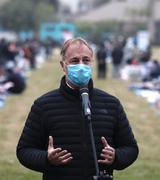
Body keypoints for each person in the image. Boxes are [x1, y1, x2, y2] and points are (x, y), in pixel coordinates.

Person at [16, 38, 139, 180]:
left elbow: (131, 149)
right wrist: (46, 158)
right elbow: (24, 151)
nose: (81, 66)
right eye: (75, 61)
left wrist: (116, 157)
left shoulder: (111, 104)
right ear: (63, 65)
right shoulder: (43, 106)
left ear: (92, 63)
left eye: (86, 60)